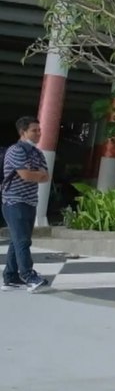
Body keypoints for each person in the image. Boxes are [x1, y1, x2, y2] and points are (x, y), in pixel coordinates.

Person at [2, 116, 50, 292]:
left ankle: (10, 277)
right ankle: (29, 275)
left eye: (39, 130)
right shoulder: (16, 150)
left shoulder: (37, 153)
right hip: (14, 202)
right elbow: (26, 175)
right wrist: (35, 174)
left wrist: (34, 174)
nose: (39, 133)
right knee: (22, 241)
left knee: (18, 241)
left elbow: (46, 176)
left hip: (30, 201)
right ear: (23, 132)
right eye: (34, 130)